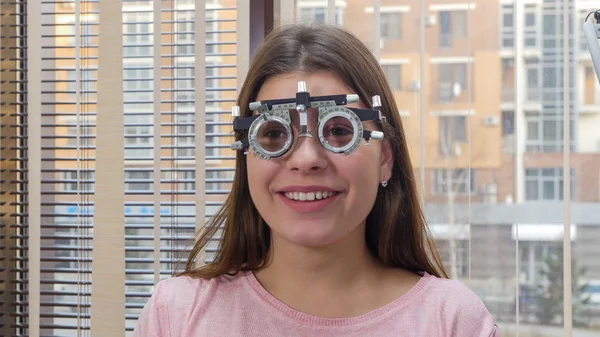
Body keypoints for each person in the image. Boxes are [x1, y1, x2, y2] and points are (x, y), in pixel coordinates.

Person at [132, 23, 500, 337]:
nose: (306, 159)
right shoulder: (177, 316)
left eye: (339, 130)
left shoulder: (451, 321)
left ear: (385, 158)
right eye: (274, 134)